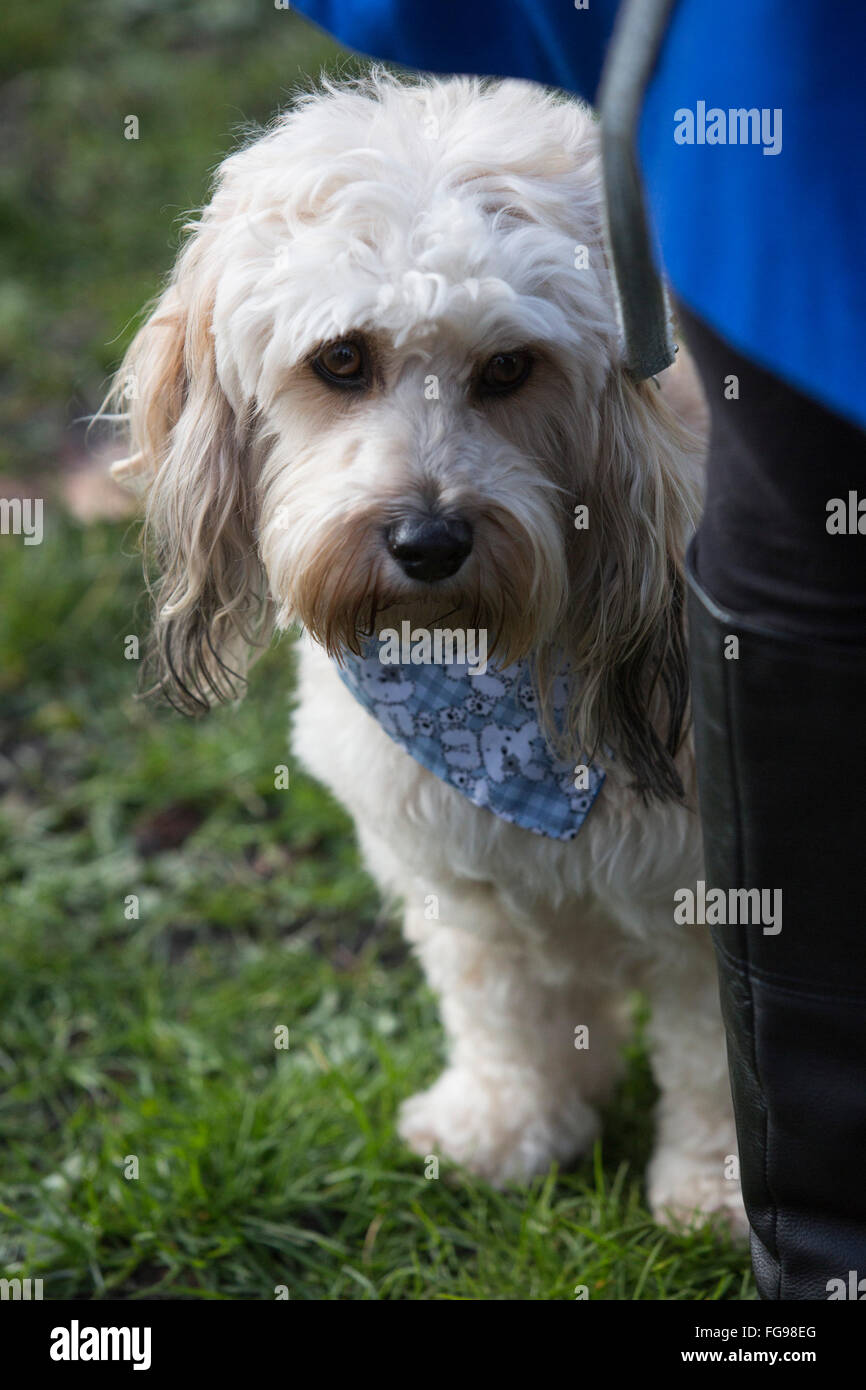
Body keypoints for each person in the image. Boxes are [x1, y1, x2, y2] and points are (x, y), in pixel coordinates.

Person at [289, 0, 866, 1299]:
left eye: (503, 378)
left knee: (721, 898)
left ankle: (725, 1133)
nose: (424, 498)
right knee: (455, 882)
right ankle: (525, 1074)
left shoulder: (700, 532)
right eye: (341, 366)